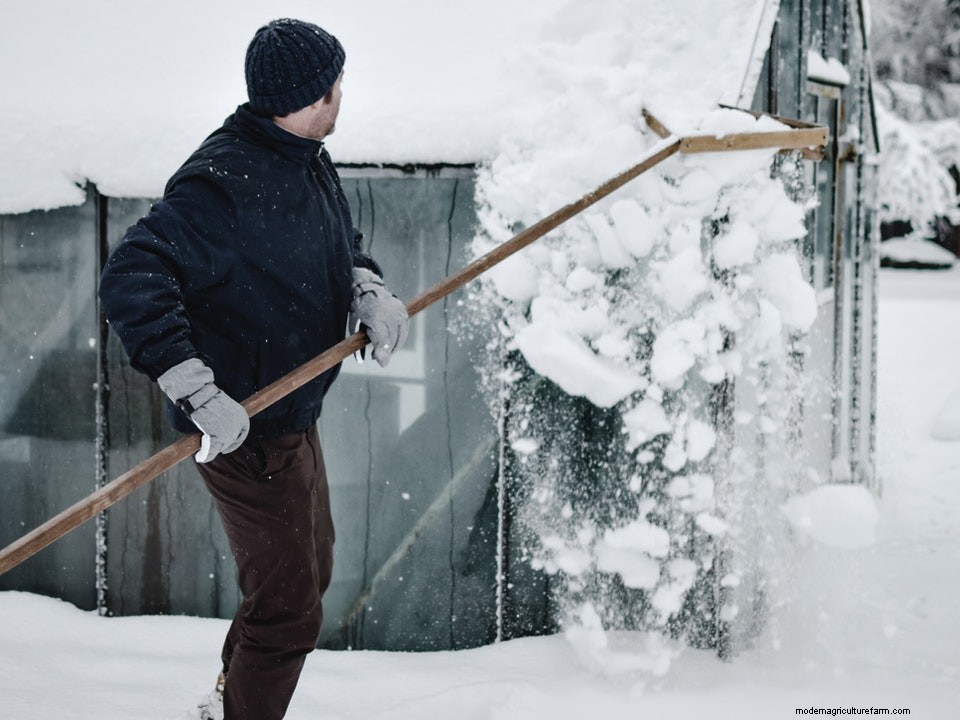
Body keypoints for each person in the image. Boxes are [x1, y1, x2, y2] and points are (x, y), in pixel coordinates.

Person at [98, 18, 408, 720]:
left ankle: (225, 699)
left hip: (293, 415)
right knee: (289, 610)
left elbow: (335, 240)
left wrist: (363, 284)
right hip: (243, 432)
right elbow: (132, 276)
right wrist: (194, 388)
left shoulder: (304, 154)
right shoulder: (222, 183)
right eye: (334, 85)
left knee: (307, 572)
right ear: (308, 96)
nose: (341, 95)